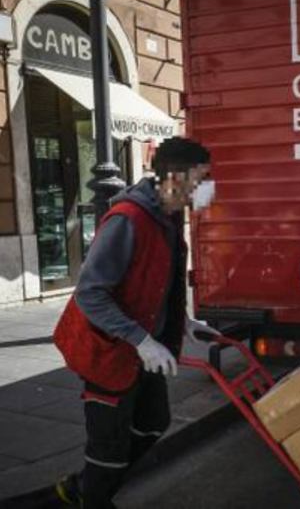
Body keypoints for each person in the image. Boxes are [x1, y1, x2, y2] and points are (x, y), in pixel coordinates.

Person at [52, 137, 219, 509]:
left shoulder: (170, 218)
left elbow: (157, 279)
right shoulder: (128, 219)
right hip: (108, 352)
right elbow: (90, 293)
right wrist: (141, 339)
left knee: (153, 424)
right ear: (175, 179)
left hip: (144, 350)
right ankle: (92, 496)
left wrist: (184, 321)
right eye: (201, 180)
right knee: (108, 448)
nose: (207, 190)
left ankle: (85, 488)